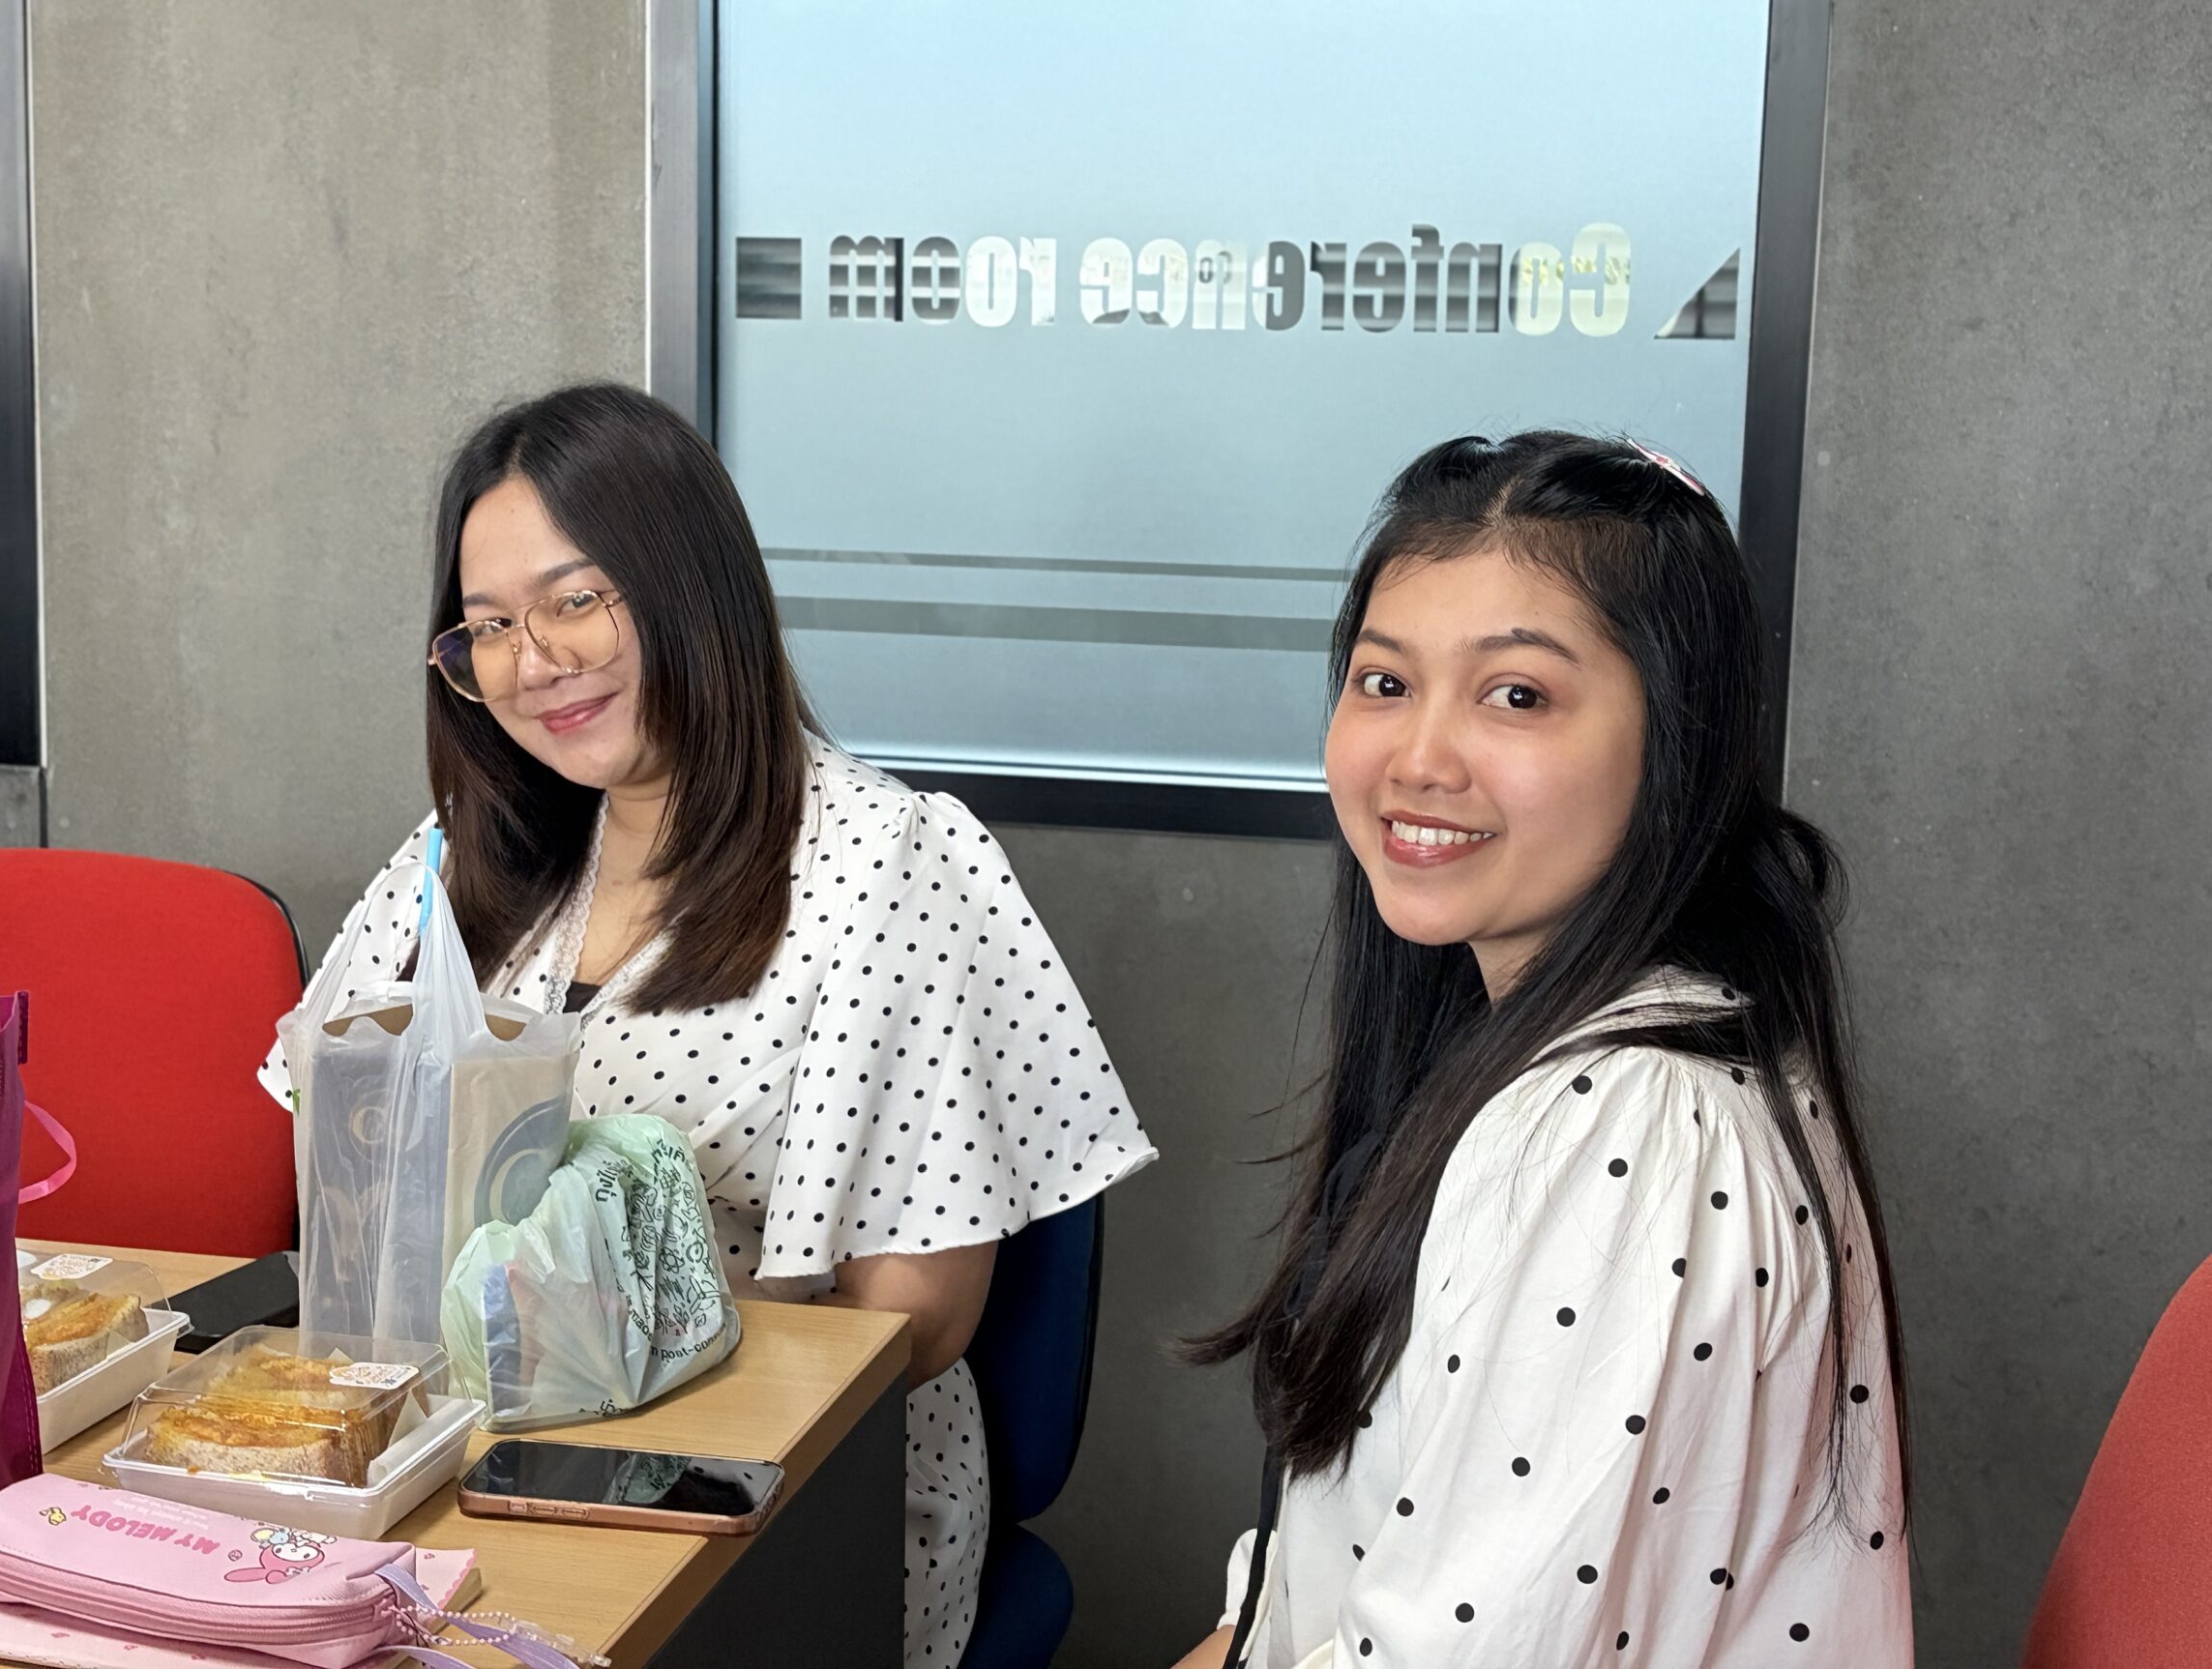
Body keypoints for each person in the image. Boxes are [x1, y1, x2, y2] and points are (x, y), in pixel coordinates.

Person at [257, 382, 1157, 1666]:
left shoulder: (886, 862)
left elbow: (917, 1321)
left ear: (691, 586)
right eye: (489, 626)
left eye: (576, 600)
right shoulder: (464, 859)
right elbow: (332, 1161)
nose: (534, 661)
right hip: (448, 1459)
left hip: (758, 1491)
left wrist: (594, 1359)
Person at [1171, 432, 1910, 1668]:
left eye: (1515, 696)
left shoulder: (1632, 1131)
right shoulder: (1538, 1048)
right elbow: (1317, 1587)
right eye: (1384, 682)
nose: (1418, 759)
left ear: (1673, 745)